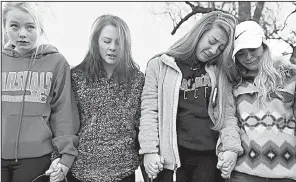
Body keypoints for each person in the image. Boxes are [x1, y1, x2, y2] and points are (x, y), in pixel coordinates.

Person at [138, 11, 243, 182]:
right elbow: (149, 111)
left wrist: (231, 148)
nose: (213, 50)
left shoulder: (219, 72)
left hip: (208, 159)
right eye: (212, 41)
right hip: (171, 160)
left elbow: (228, 115)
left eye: (221, 48)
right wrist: (149, 150)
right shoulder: (160, 65)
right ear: (199, 32)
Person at [1, 2, 80, 182]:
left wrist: (66, 156)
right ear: (5, 27)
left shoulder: (55, 62)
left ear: (40, 29)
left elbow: (64, 112)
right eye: (14, 26)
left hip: (36, 158)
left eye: (30, 27)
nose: (22, 33)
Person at [68, 14, 145, 182]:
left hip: (123, 171)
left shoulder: (137, 80)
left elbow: (142, 125)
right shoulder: (76, 77)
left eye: (119, 43)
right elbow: (65, 122)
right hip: (81, 170)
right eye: (107, 41)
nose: (113, 47)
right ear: (96, 42)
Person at [217, 20, 296, 181]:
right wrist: (225, 151)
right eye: (241, 53)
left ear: (264, 46)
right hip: (244, 173)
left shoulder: (290, 77)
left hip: (287, 173)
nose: (248, 57)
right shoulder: (234, 83)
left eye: (253, 49)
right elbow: (229, 123)